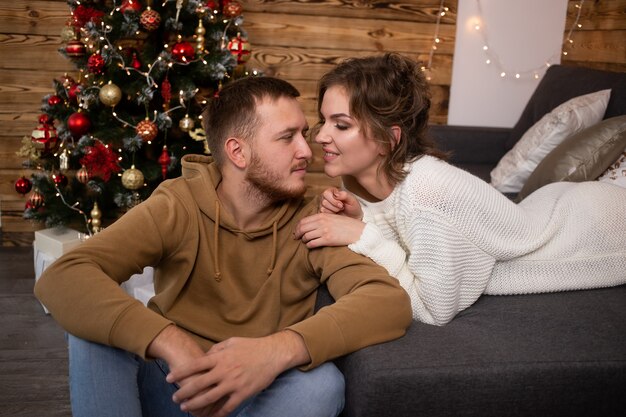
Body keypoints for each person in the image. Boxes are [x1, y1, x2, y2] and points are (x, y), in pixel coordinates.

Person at [34, 76, 412, 417]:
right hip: (172, 385)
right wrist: (170, 340)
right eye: (287, 138)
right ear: (238, 152)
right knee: (92, 334)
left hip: (259, 394)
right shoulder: (177, 204)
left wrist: (277, 350)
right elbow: (64, 277)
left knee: (321, 385)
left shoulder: (315, 220)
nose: (307, 151)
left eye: (304, 133)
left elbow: (387, 302)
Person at [294, 53, 626, 326]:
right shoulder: (355, 178)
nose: (321, 136)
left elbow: (434, 310)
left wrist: (361, 235)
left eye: (341, 125)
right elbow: (411, 243)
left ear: (389, 139)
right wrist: (361, 217)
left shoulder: (427, 192)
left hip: (590, 224)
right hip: (550, 204)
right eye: (323, 121)